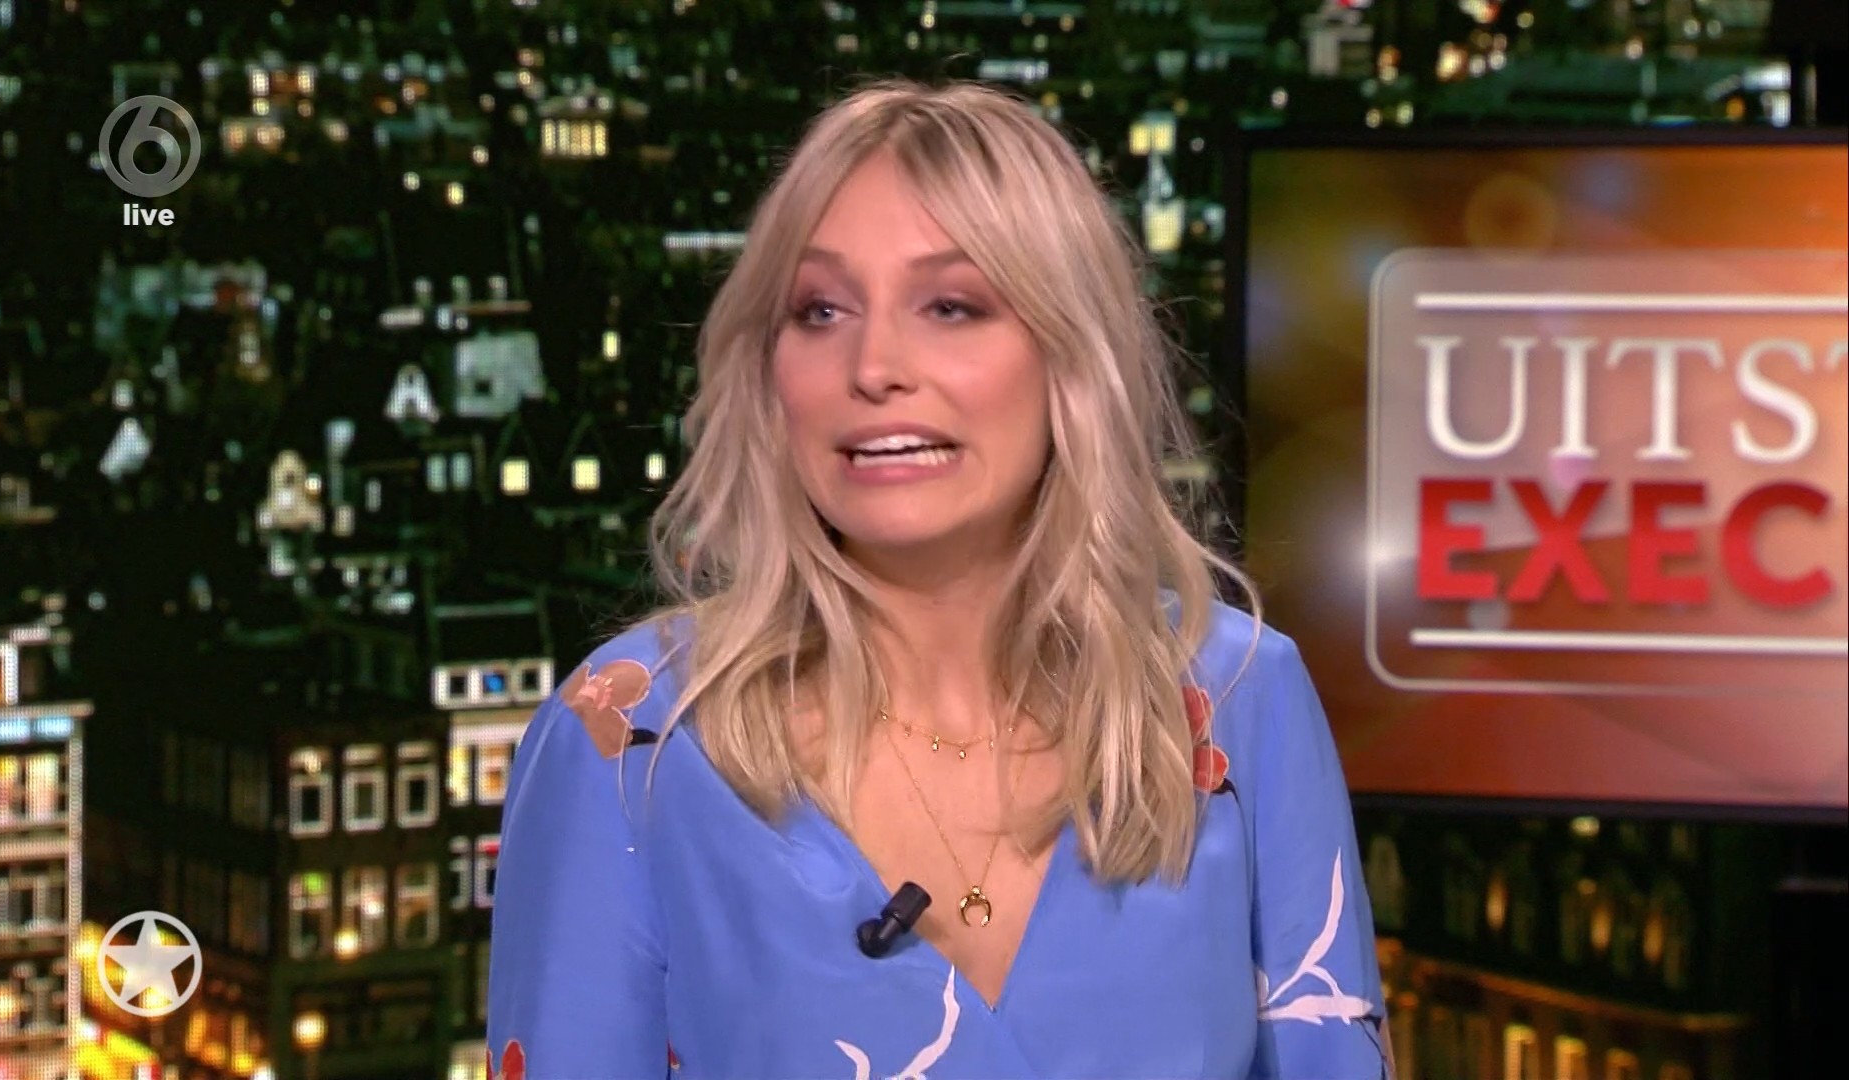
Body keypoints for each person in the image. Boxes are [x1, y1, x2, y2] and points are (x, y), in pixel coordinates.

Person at [486, 78, 1391, 1079]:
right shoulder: (628, 745)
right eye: (819, 310)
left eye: (952, 306)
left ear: (1070, 359)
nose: (874, 366)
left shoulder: (1241, 700)